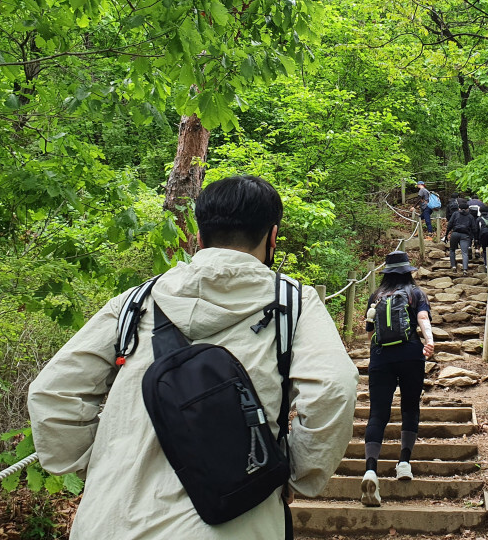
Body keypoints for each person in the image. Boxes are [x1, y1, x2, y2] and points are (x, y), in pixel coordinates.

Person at [28, 175, 358, 540]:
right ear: (273, 236)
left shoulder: (137, 302)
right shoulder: (292, 304)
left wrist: (101, 467)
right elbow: (334, 388)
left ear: (199, 237)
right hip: (235, 521)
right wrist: (296, 474)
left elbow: (52, 392)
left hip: (111, 521)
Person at [361, 251, 434, 507]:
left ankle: (370, 469)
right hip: (411, 353)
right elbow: (423, 319)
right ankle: (404, 463)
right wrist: (429, 342)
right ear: (407, 272)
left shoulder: (377, 295)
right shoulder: (416, 293)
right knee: (410, 406)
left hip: (381, 356)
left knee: (377, 413)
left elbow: (368, 330)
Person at [447, 201, 476, 272]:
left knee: (452, 250)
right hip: (465, 235)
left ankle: (453, 266)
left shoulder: (455, 214)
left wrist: (446, 233)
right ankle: (465, 269)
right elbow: (474, 228)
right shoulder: (470, 216)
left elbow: (450, 224)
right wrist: (474, 238)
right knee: (465, 252)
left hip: (455, 233)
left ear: (459, 208)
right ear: (467, 209)